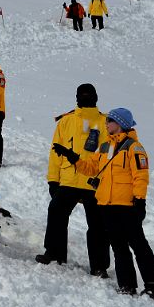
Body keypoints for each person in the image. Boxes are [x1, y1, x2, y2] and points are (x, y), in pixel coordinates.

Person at [53, 107, 154, 298]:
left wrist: (140, 201)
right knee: (119, 247)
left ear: (119, 124)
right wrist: (73, 157)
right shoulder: (105, 146)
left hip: (127, 206)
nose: (106, 124)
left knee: (139, 246)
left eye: (110, 121)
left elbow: (141, 177)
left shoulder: (134, 148)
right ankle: (127, 285)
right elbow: (91, 168)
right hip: (106, 205)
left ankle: (152, 284)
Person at [36, 84, 111, 276]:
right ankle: (54, 253)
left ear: (95, 97)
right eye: (82, 95)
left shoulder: (106, 123)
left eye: (89, 95)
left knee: (98, 225)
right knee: (56, 214)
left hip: (94, 181)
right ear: (77, 97)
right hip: (68, 180)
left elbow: (111, 155)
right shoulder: (66, 121)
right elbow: (55, 154)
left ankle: (99, 265)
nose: (85, 98)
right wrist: (53, 179)